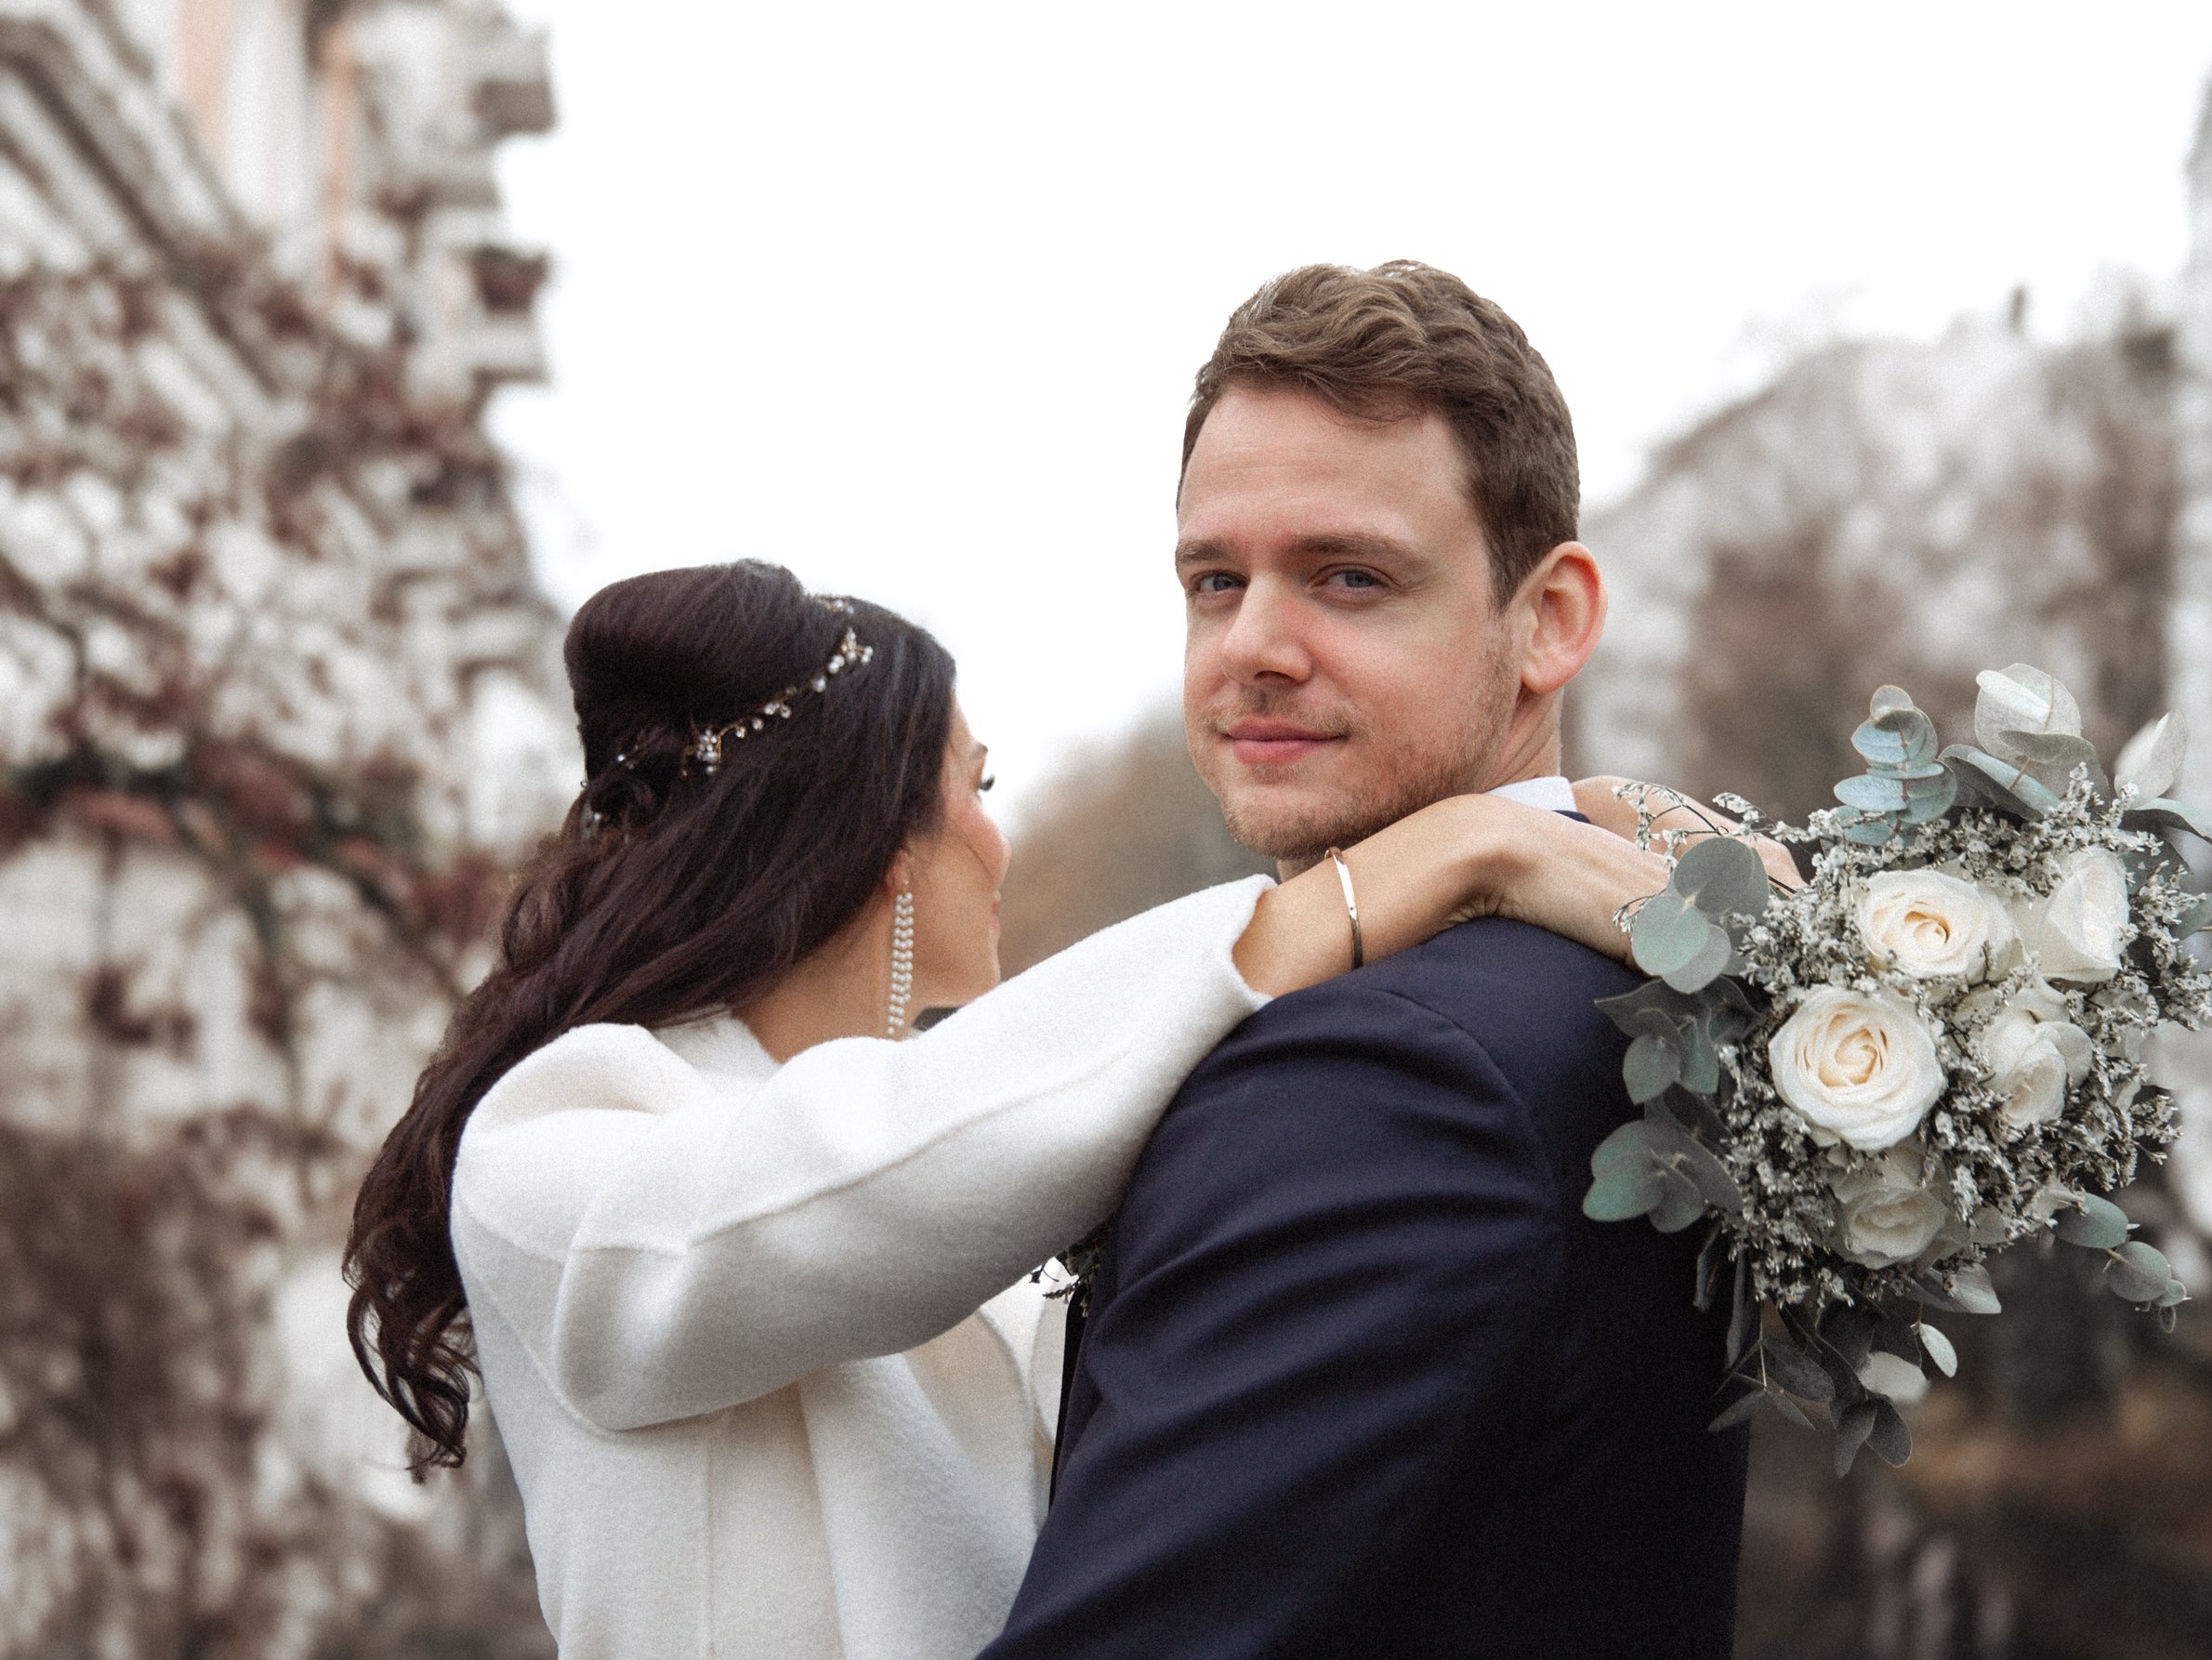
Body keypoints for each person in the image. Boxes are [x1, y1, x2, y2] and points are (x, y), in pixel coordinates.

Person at [342, 558, 1697, 1660]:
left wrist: (1549, 815)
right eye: (975, 788)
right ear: (881, 853)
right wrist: (1450, 852)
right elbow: (867, 1174)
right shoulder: (556, 1146)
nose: (1002, 837)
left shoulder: (960, 1166)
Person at [980, 261, 1758, 1660]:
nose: (1255, 647)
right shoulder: (1622, 1002)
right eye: (1215, 581)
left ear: (1553, 619)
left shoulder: (1388, 1079)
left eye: (1350, 577)